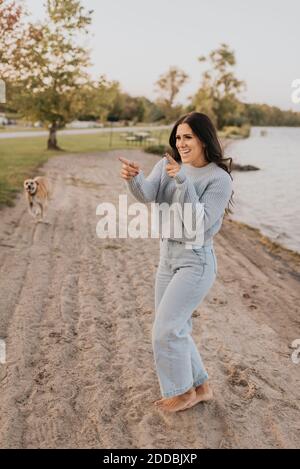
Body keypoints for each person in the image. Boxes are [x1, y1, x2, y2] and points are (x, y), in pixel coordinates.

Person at [119, 112, 233, 412]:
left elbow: (200, 222)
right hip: (167, 257)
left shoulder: (219, 179)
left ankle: (182, 392)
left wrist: (183, 181)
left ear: (204, 139)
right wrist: (134, 180)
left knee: (165, 330)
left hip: (196, 261)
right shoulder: (167, 163)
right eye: (178, 137)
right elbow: (148, 194)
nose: (181, 143)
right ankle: (200, 386)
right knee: (174, 325)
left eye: (188, 137)